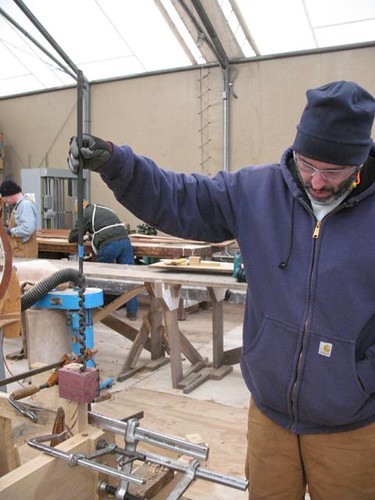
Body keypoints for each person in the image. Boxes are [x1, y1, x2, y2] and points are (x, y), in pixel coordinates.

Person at [68, 81, 375, 498]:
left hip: (350, 426)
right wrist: (119, 164)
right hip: (270, 418)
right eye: (307, 165)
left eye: (333, 172)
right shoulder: (257, 191)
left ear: (359, 160)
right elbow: (181, 197)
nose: (317, 181)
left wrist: (360, 378)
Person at [68, 199, 138, 319]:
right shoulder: (102, 208)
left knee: (101, 278)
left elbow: (73, 236)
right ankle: (132, 312)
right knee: (130, 278)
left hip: (109, 244)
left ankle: (100, 310)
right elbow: (103, 227)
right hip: (125, 241)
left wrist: (84, 235)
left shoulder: (85, 213)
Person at [0, 179, 38, 258]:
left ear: (10, 195)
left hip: (25, 251)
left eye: (5, 198)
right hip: (19, 250)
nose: (6, 201)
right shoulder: (19, 205)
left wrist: (10, 231)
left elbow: (28, 228)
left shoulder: (25, 205)